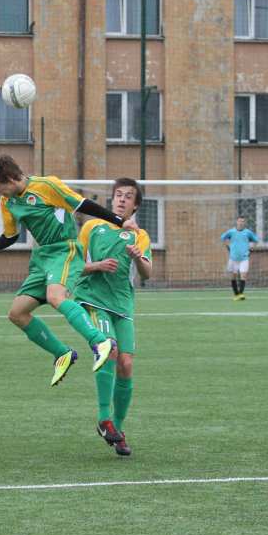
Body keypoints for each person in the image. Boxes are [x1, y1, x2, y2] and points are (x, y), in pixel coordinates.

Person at [0, 155, 135, 386]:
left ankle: (101, 342)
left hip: (64, 250)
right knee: (17, 313)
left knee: (55, 296)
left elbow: (82, 204)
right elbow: (11, 236)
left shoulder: (46, 185)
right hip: (42, 257)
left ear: (10, 178)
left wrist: (118, 220)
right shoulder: (8, 203)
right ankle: (62, 353)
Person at [74, 178, 152, 457]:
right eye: (118, 195)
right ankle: (104, 417)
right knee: (109, 350)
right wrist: (96, 266)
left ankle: (116, 430)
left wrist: (138, 256)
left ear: (135, 205)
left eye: (128, 196)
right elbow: (73, 267)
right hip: (93, 299)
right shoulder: (92, 227)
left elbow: (147, 274)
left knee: (127, 364)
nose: (121, 199)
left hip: (122, 303)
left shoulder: (139, 235)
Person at [220, 216, 258, 300]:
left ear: (244, 223)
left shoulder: (248, 232)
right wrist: (228, 246)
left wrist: (251, 248)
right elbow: (223, 238)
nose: (241, 223)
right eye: (239, 221)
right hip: (233, 258)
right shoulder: (231, 232)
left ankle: (241, 294)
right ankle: (236, 294)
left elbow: (256, 240)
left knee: (243, 275)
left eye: (243, 221)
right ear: (236, 222)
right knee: (233, 276)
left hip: (244, 258)